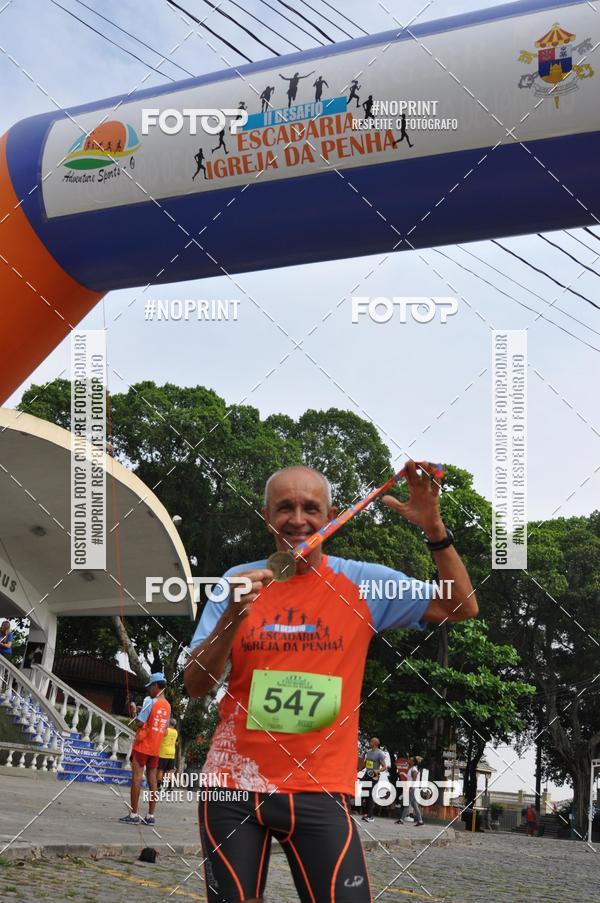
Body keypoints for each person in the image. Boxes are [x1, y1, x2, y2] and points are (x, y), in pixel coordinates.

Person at [185, 462, 478, 902]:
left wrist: (434, 526)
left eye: (310, 508)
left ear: (332, 515)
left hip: (321, 789)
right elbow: (195, 684)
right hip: (233, 787)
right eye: (285, 508)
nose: (298, 519)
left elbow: (461, 606)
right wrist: (232, 615)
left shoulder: (365, 583)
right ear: (268, 516)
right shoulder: (235, 581)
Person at [120, 672, 171, 826]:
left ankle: (134, 814)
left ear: (156, 686)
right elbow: (166, 728)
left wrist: (135, 711)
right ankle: (150, 816)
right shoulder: (168, 706)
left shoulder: (150, 701)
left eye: (150, 687)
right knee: (153, 781)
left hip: (143, 745)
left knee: (136, 777)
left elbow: (140, 723)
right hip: (156, 748)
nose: (149, 690)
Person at [359, 737, 386, 822]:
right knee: (365, 794)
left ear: (375, 743)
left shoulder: (380, 754)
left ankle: (370, 816)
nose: (369, 743)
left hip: (374, 776)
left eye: (371, 741)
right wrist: (358, 770)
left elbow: (384, 767)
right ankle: (366, 814)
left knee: (371, 795)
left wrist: (377, 770)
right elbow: (366, 764)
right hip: (367, 774)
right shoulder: (369, 752)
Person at [396, 755, 424, 826]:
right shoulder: (412, 768)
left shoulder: (414, 769)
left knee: (407, 805)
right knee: (414, 806)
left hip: (412, 789)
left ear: (413, 762)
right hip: (411, 788)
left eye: (410, 760)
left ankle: (401, 820)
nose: (408, 760)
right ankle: (420, 821)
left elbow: (414, 779)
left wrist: (410, 788)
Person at [157, 717, 178, 788]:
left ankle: (158, 785)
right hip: (172, 753)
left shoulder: (166, 730)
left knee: (160, 769)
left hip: (163, 752)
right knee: (168, 771)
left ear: (169, 723)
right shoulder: (176, 732)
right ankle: (170, 786)